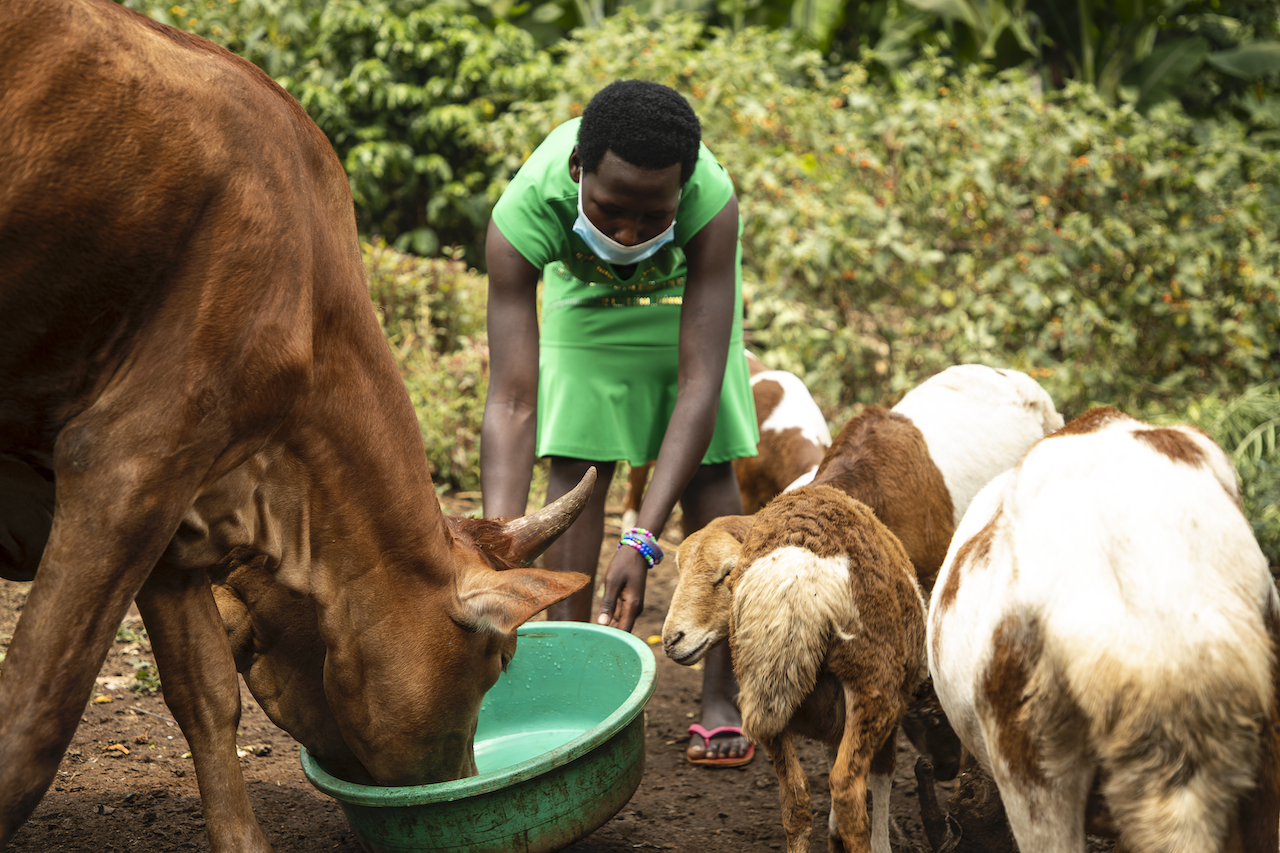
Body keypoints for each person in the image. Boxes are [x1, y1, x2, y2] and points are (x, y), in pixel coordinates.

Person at [480, 79, 759, 766]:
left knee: (714, 470)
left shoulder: (711, 206)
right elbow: (513, 401)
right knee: (574, 458)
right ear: (579, 171)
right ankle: (581, 680)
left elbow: (699, 383)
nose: (628, 232)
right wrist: (494, 551)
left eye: (650, 215)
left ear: (682, 191)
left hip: (677, 301)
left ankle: (722, 693)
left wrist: (641, 541)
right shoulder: (524, 213)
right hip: (585, 301)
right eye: (609, 209)